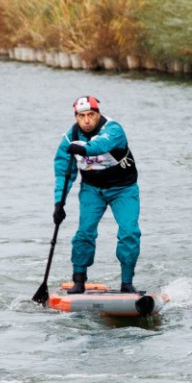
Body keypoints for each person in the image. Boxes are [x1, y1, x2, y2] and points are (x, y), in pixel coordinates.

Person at [53, 96, 140, 294]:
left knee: (129, 233)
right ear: (76, 117)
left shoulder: (113, 129)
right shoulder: (69, 138)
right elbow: (63, 173)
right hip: (92, 190)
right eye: (82, 116)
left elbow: (99, 146)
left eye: (91, 115)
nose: (87, 121)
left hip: (123, 189)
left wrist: (81, 148)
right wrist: (59, 203)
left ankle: (127, 283)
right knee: (84, 233)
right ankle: (79, 280)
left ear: (98, 114)